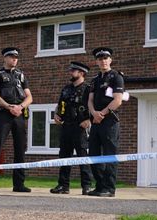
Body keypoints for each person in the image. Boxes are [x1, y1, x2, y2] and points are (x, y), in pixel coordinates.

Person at [0, 47, 33, 193]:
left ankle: (19, 184)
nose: (14, 59)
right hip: (4, 115)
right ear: (5, 58)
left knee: (20, 149)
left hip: (18, 114)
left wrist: (20, 107)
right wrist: (8, 107)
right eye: (12, 57)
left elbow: (29, 97)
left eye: (16, 57)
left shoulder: (21, 75)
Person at [87, 47, 125, 197]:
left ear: (110, 60)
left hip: (109, 122)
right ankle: (99, 186)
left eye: (105, 58)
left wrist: (101, 113)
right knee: (94, 154)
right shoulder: (95, 80)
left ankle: (109, 188)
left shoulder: (116, 77)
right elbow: (90, 100)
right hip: (96, 121)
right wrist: (94, 113)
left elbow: (118, 100)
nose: (103, 61)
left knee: (110, 155)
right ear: (96, 61)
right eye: (100, 58)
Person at [51, 61, 93, 194]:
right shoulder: (66, 88)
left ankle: (86, 186)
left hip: (80, 126)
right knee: (64, 156)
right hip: (66, 126)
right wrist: (57, 115)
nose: (70, 73)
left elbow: (94, 105)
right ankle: (63, 186)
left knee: (82, 156)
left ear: (81, 73)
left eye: (73, 71)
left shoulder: (88, 89)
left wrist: (89, 120)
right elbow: (60, 105)